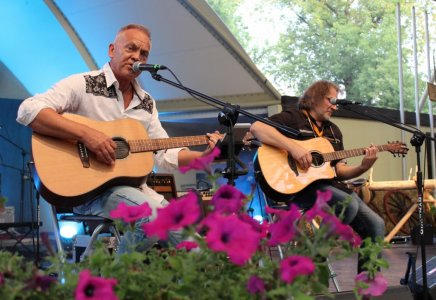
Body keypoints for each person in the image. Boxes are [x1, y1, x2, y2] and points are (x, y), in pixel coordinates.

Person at [17, 24, 221, 252]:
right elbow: (29, 110)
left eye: (143, 53)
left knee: (194, 248)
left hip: (137, 192)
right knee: (151, 219)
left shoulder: (146, 102)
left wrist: (203, 155)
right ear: (112, 50)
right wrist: (87, 134)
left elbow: (164, 153)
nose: (137, 57)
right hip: (90, 191)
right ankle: (112, 283)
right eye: (131, 48)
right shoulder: (83, 84)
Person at [250, 80, 385, 273]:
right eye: (331, 100)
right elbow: (257, 128)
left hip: (328, 187)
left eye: (336, 102)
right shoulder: (293, 118)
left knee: (376, 225)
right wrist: (294, 148)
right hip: (296, 187)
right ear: (314, 98)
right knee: (349, 204)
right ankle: (313, 258)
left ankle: (367, 287)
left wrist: (364, 166)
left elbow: (339, 171)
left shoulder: (334, 131)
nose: (335, 106)